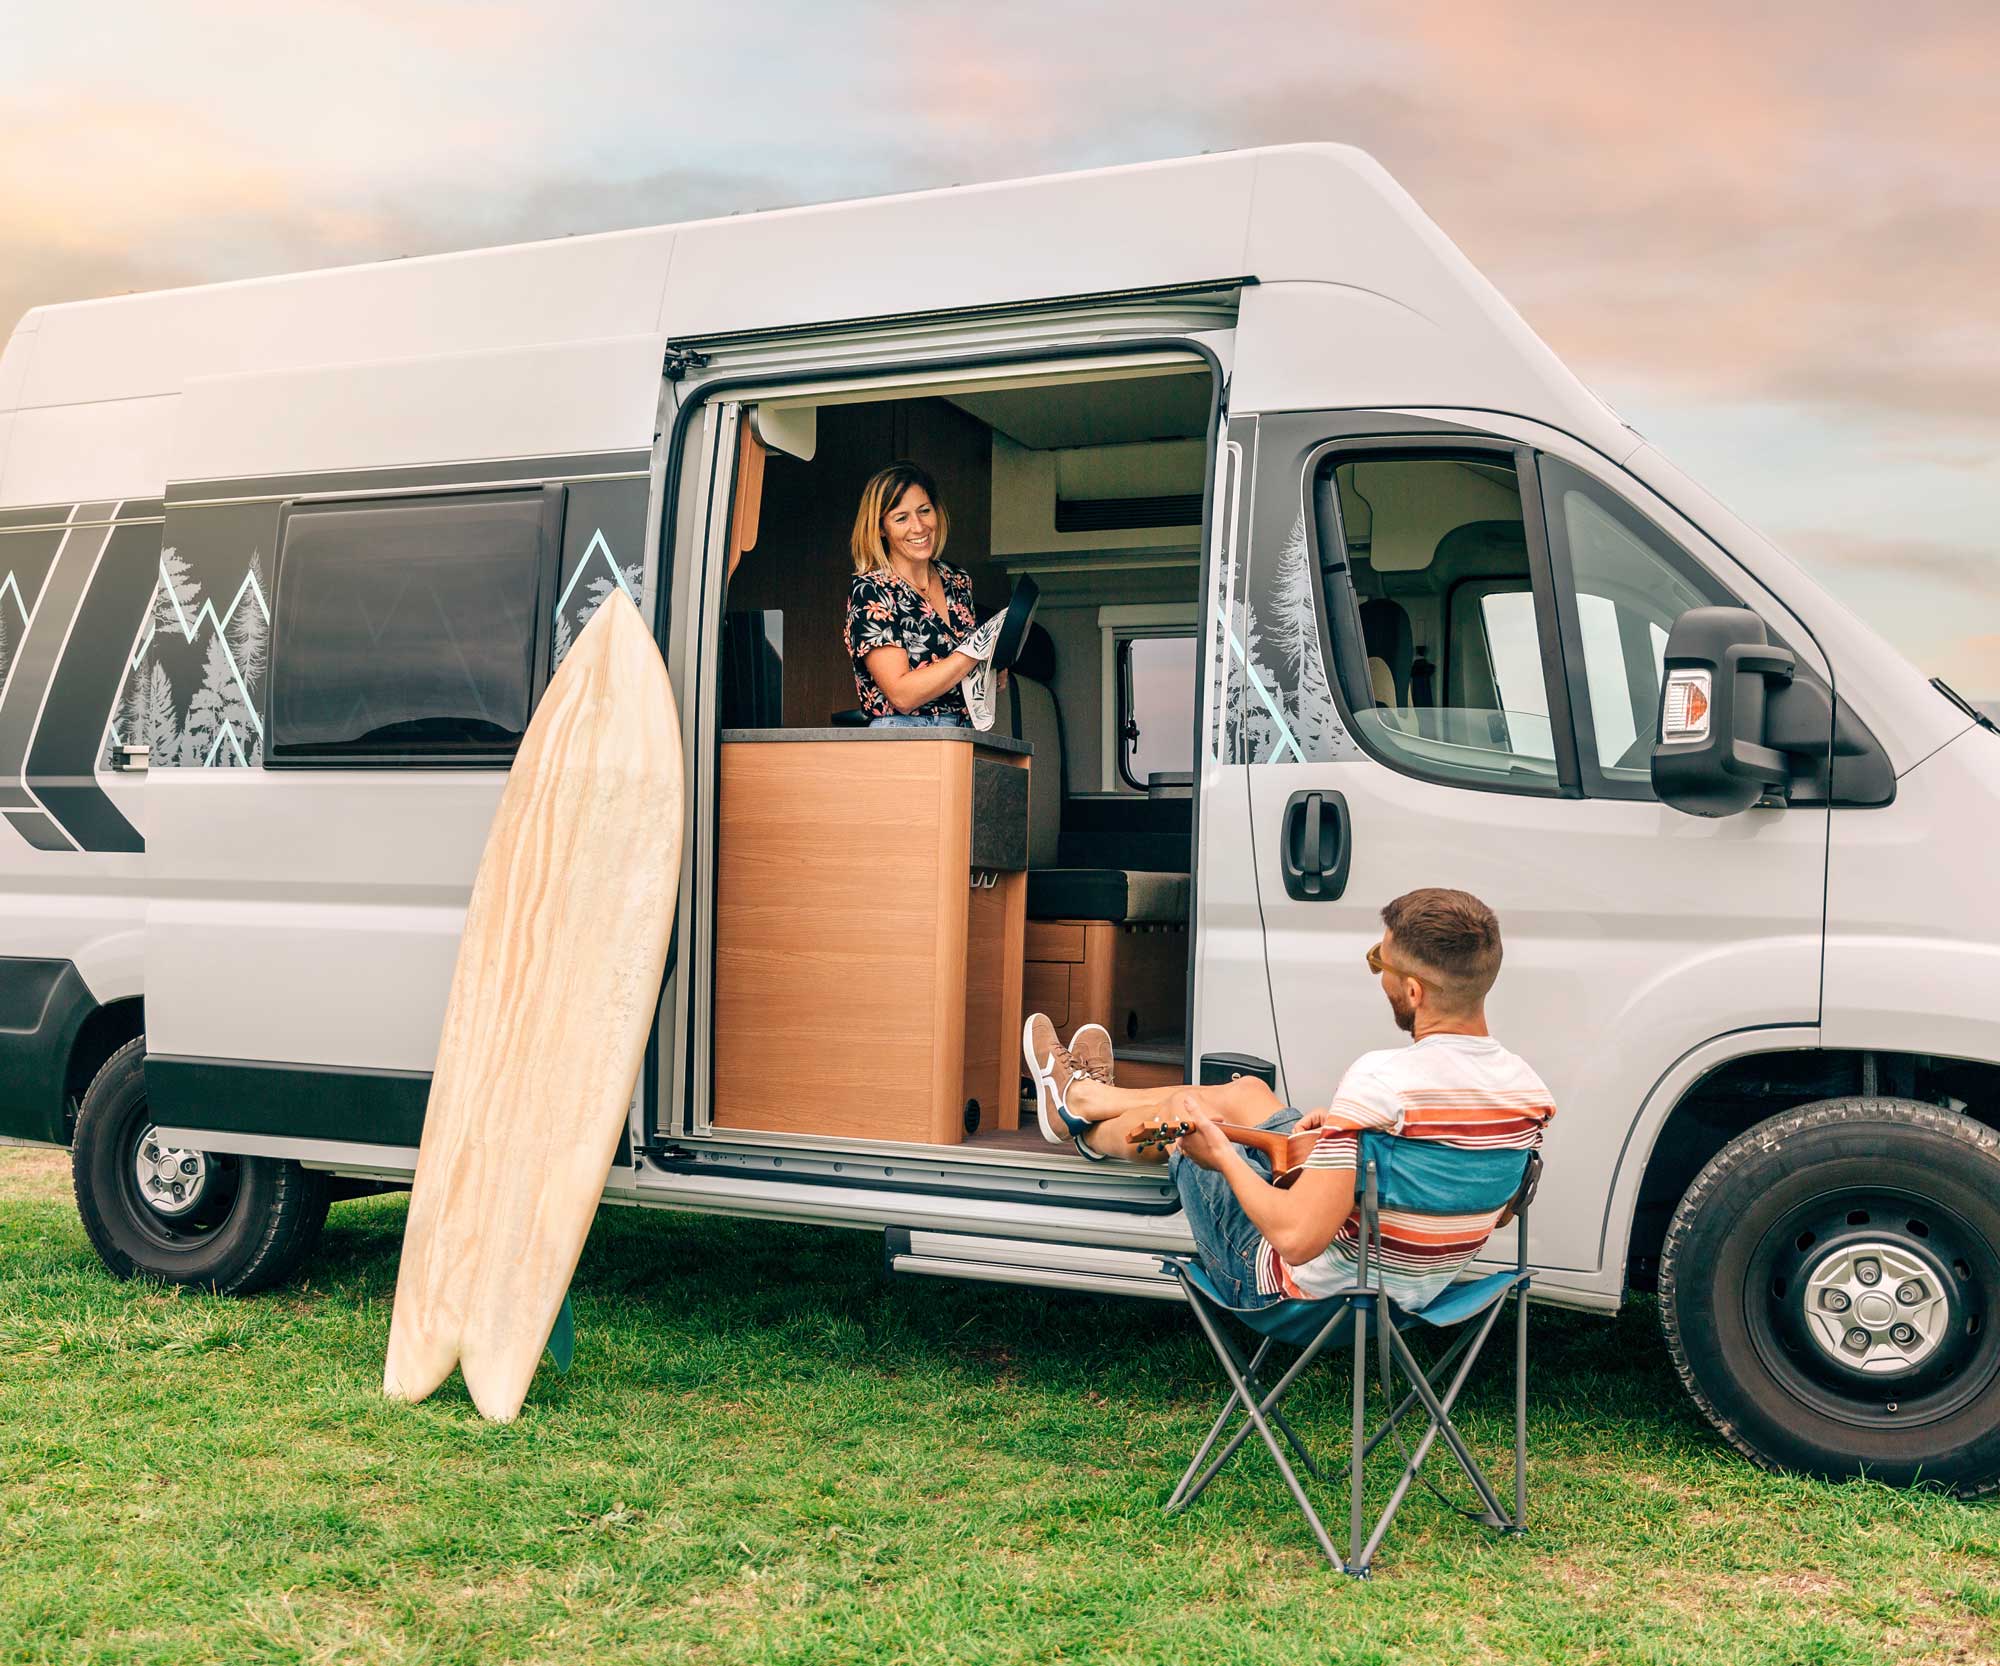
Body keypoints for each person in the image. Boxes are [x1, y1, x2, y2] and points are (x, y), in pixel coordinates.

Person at [1021, 887, 1555, 1311]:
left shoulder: (1382, 1080)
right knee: (1248, 1092)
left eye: (1381, 964)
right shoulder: (1527, 1091)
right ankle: (1084, 1100)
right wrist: (1340, 1144)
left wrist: (1222, 1156)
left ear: (1414, 991)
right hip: (1413, 1289)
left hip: (1296, 1292)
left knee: (1187, 1121)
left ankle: (1082, 1119)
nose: (1380, 977)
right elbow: (1490, 1208)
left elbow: (1296, 1241)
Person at [843, 461, 986, 729]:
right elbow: (902, 696)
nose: (919, 527)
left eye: (924, 511)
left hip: (965, 732)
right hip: (905, 734)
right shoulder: (872, 590)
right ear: (880, 528)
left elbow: (962, 673)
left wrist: (990, 671)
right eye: (901, 518)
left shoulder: (957, 579)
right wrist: (975, 654)